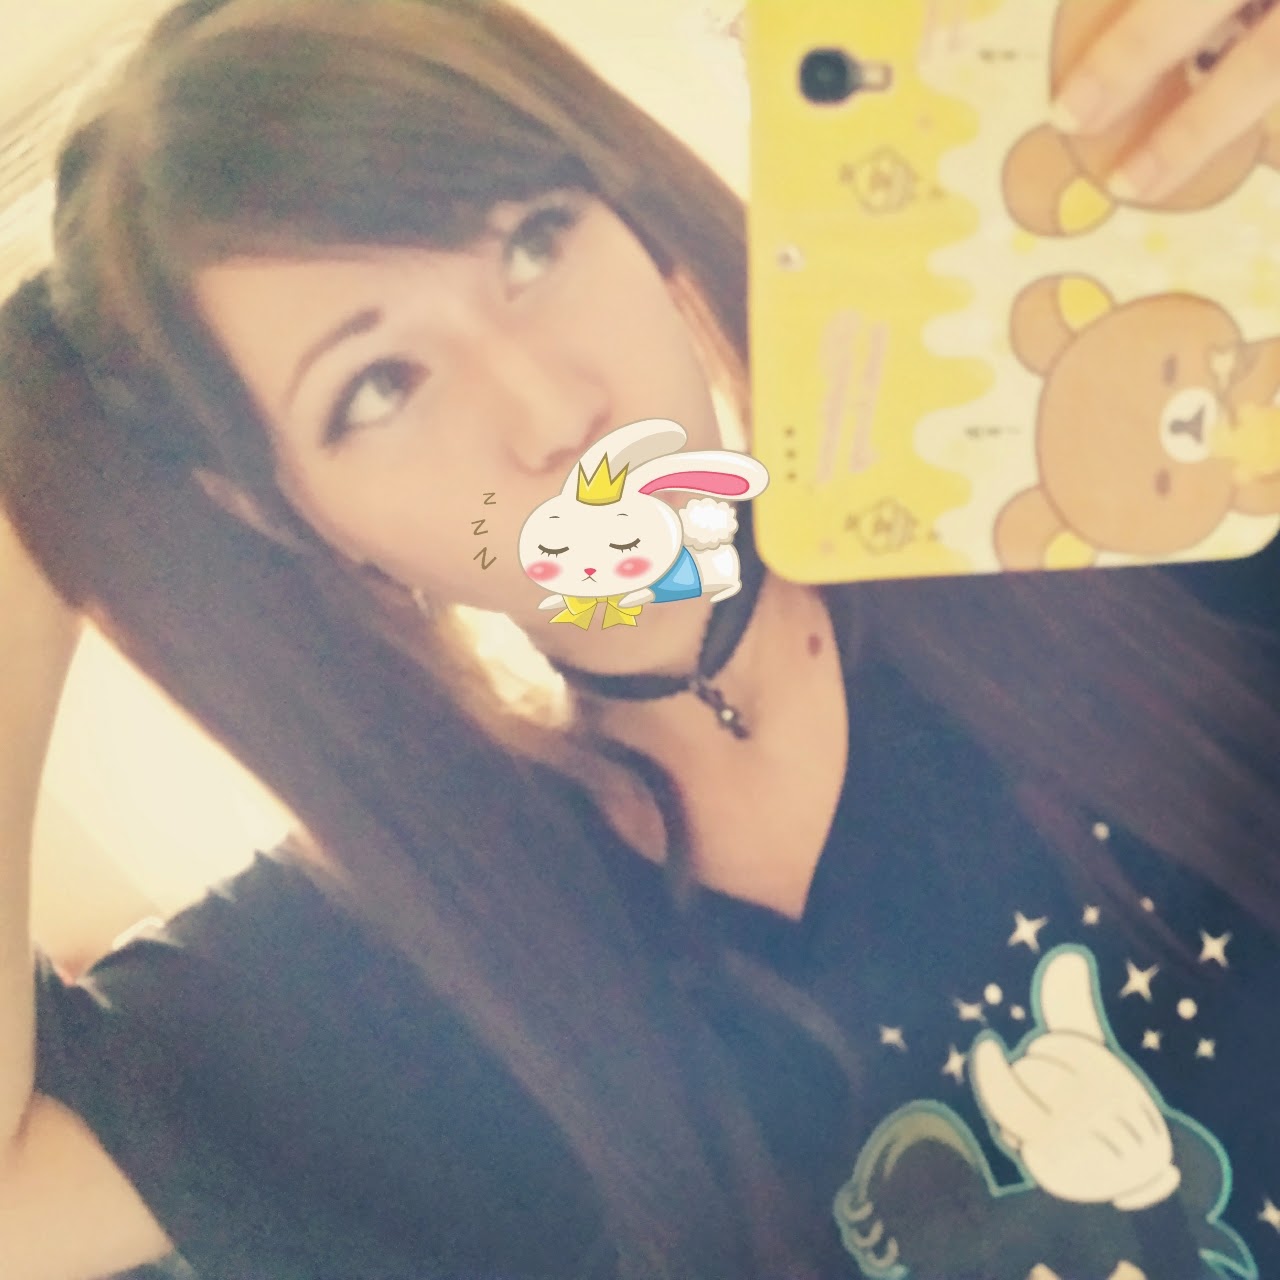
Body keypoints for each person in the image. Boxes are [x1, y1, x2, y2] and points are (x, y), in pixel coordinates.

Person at [2, 1, 1279, 1277]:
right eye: (379, 385)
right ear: (285, 512)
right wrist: (26, 472)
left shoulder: (1082, 478)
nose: (552, 408)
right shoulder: (401, 966)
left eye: (532, 241)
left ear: (631, 214)